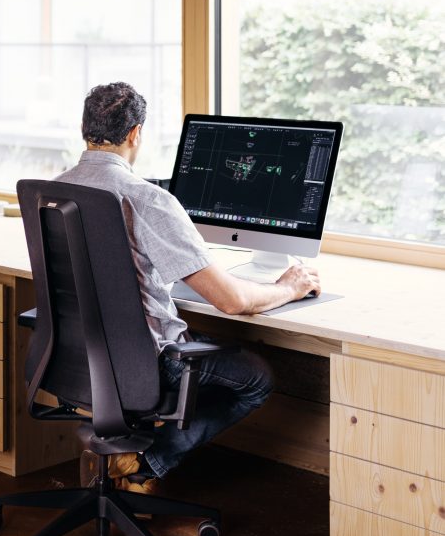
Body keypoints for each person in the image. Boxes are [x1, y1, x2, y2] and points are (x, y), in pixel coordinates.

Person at [57, 81, 320, 496]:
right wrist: (289, 288)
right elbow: (233, 301)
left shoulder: (55, 191)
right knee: (258, 379)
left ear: (84, 129)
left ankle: (133, 461)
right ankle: (148, 461)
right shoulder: (146, 198)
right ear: (134, 134)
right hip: (146, 363)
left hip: (75, 359)